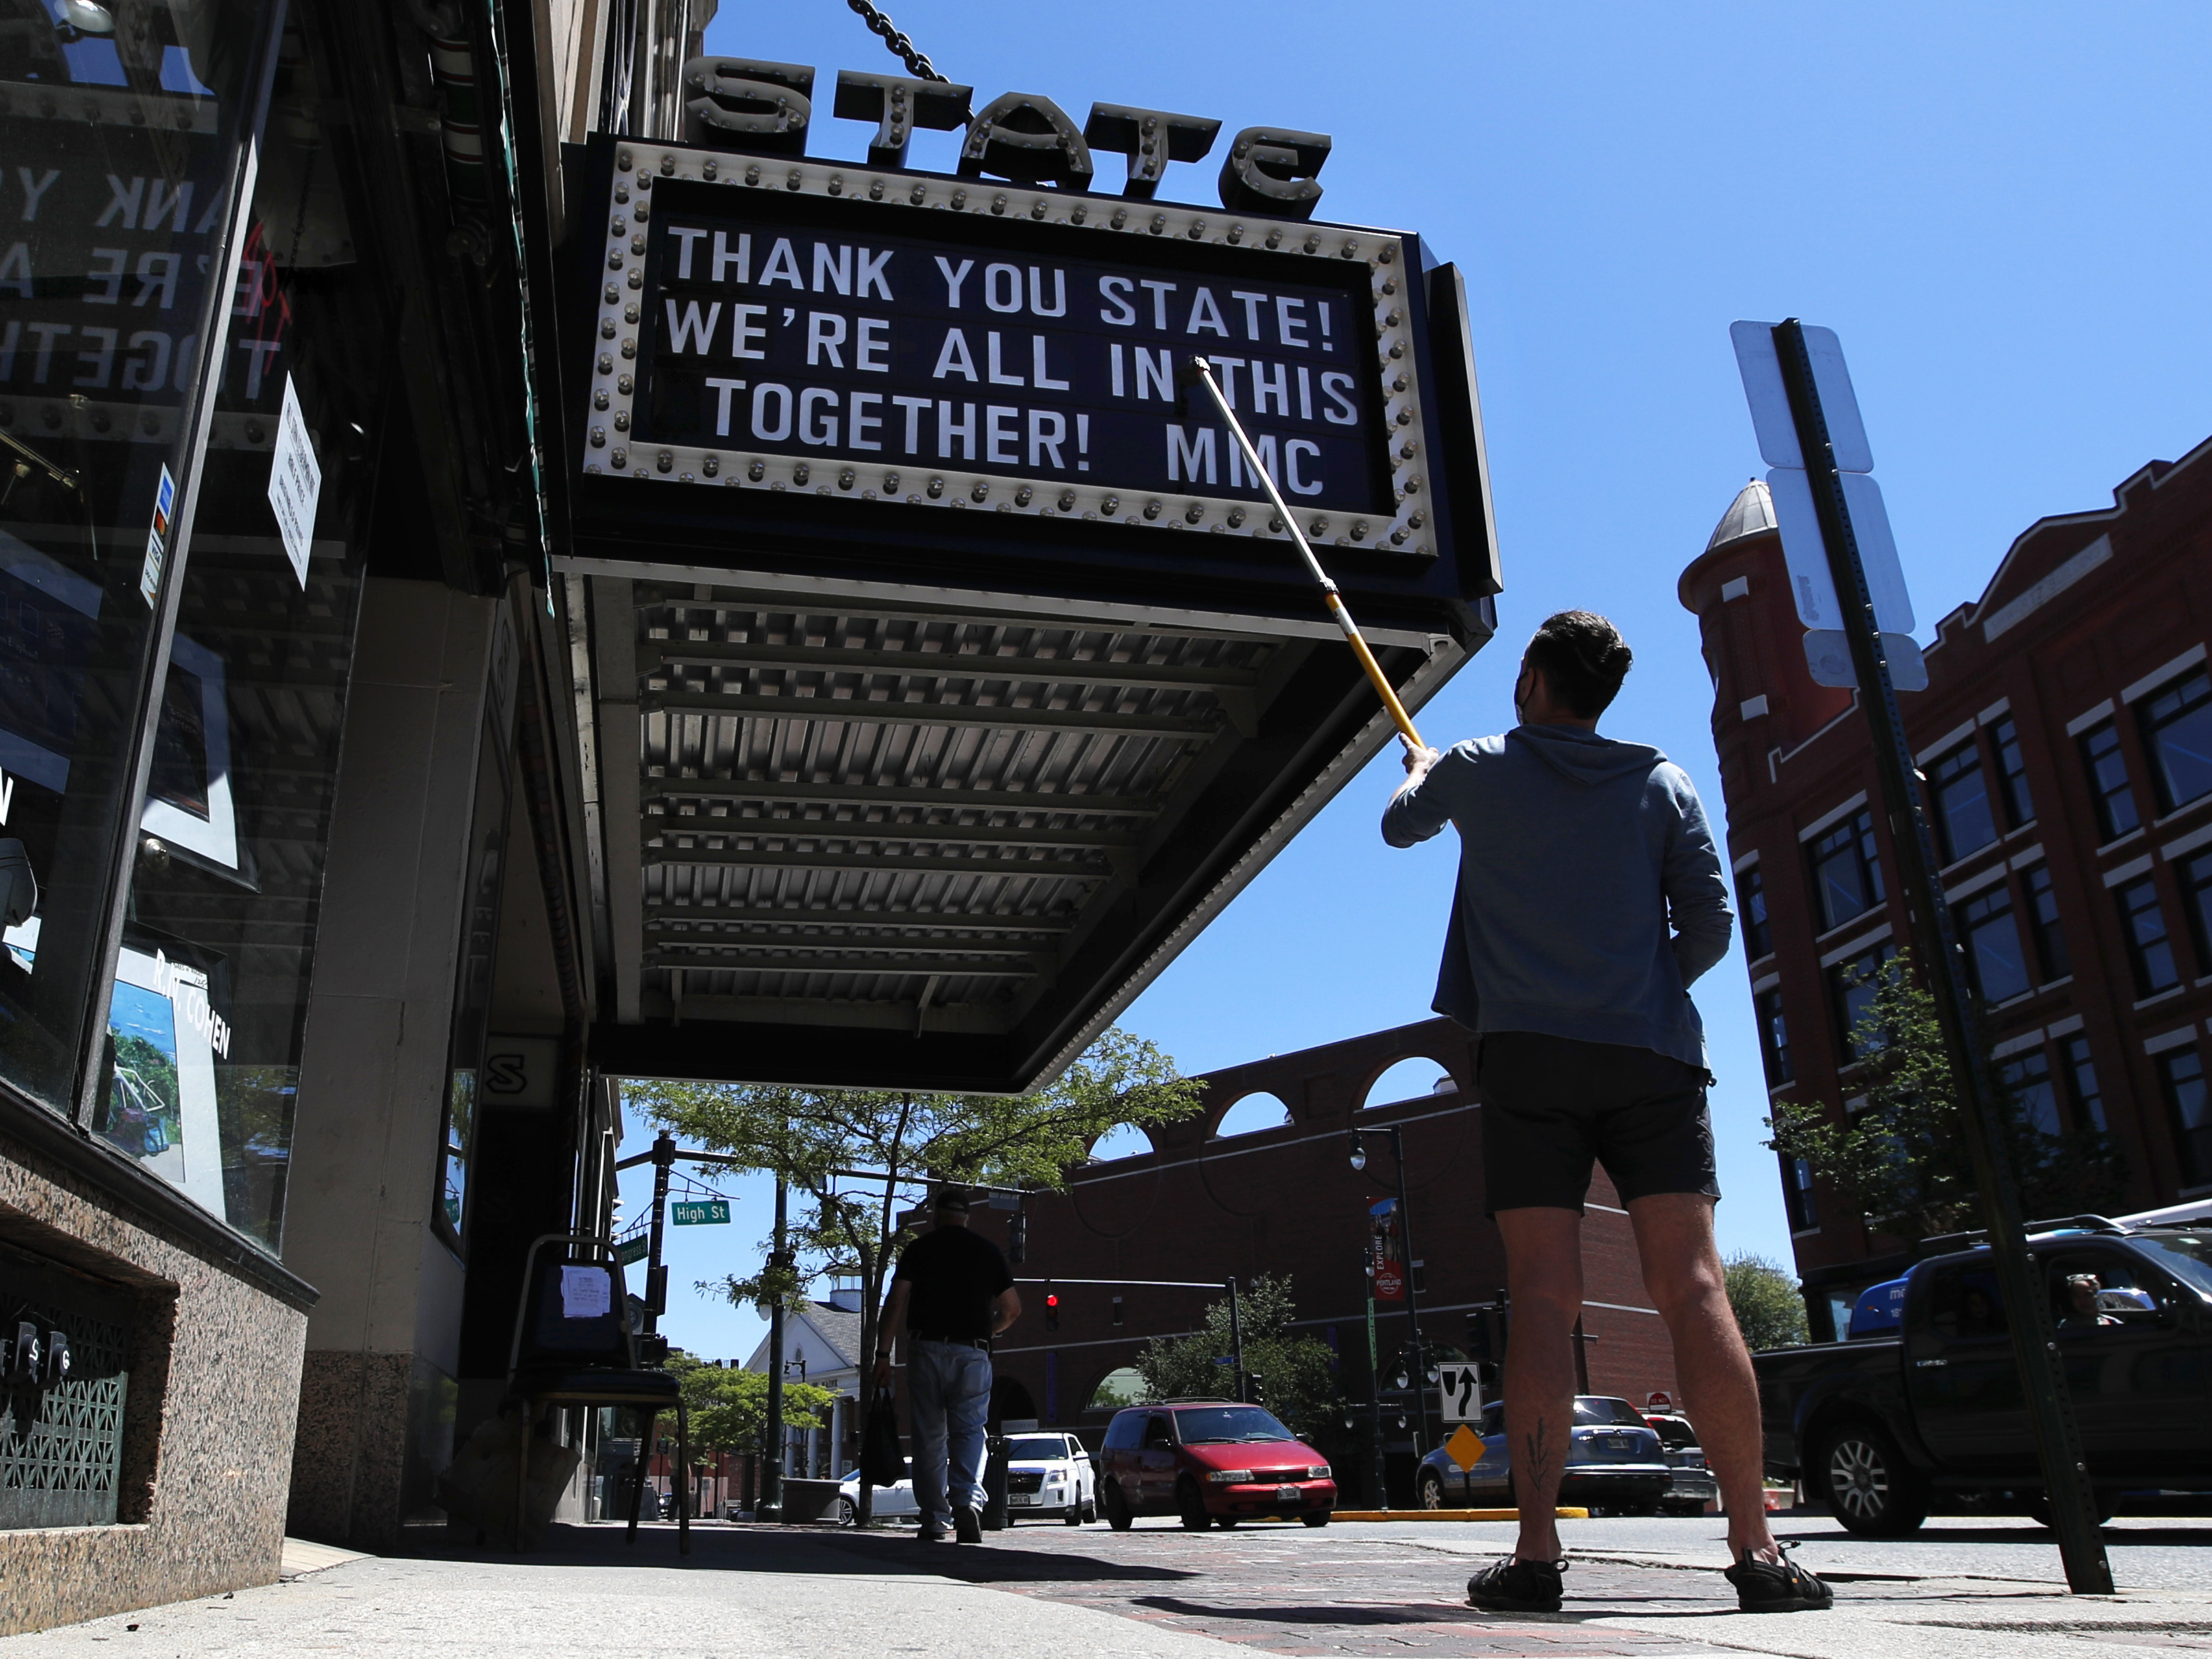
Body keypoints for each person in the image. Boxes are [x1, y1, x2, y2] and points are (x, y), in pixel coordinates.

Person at [1382, 610, 1832, 1616]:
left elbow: (1400, 824)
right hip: (1650, 1054)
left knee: (1543, 1295)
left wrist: (1420, 769)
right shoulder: (1661, 780)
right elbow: (1709, 923)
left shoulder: (1473, 765)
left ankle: (1536, 1556)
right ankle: (1755, 1550)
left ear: (1531, 678)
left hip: (1527, 1058)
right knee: (1695, 1286)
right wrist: (1637, 990)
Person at [873, 1187, 1021, 1542]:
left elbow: (895, 1302)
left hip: (924, 1349)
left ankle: (934, 1519)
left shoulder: (919, 1249)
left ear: (936, 1216)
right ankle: (966, 1502)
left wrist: (883, 1356)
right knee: (970, 1431)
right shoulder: (988, 1251)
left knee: (929, 1437)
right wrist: (988, 1330)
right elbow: (1012, 1309)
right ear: (967, 1217)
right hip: (973, 1352)